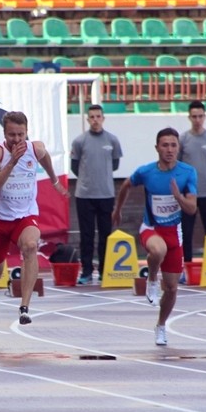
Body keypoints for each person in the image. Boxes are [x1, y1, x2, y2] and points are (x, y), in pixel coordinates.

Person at [112, 128, 197, 346]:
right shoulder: (147, 172)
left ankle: (161, 325)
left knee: (171, 288)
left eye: (173, 145)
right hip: (151, 229)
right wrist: (118, 210)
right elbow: (126, 185)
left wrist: (178, 196)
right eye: (165, 145)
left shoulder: (187, 173)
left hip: (174, 234)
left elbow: (192, 209)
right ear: (157, 148)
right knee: (158, 250)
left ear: (178, 147)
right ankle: (151, 279)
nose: (169, 149)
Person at [0, 111, 68, 325]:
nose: (17, 140)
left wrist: (55, 180)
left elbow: (46, 157)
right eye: (12, 135)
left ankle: (24, 307)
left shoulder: (35, 148)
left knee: (30, 245)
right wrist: (12, 162)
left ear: (27, 132)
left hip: (25, 216)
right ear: (4, 133)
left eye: (21, 134)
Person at [70, 104, 123, 285]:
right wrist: (88, 180)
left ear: (103, 118)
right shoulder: (79, 141)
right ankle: (85, 271)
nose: (95, 120)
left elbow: (115, 165)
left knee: (105, 234)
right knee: (86, 235)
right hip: (84, 195)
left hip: (106, 194)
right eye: (91, 117)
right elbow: (74, 167)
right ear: (87, 119)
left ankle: (104, 270)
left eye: (98, 116)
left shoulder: (113, 140)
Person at [178, 100, 206, 282]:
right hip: (189, 195)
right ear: (189, 117)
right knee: (186, 233)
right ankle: (184, 269)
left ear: (205, 117)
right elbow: (178, 165)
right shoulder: (183, 140)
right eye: (194, 116)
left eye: (200, 116)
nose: (197, 120)